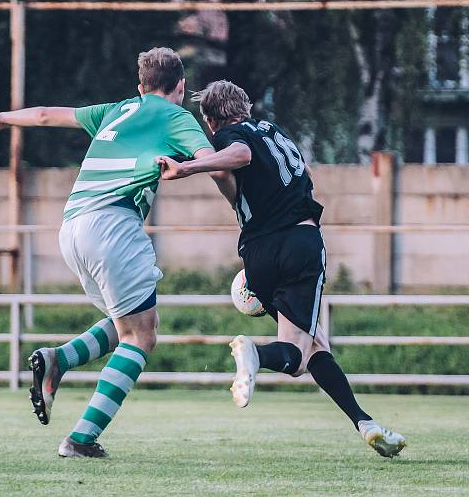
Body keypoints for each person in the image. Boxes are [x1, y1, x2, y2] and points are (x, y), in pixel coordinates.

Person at [0, 47, 215, 458]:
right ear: (181, 87)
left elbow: (43, 115)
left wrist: (0, 119)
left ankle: (57, 359)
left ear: (140, 87)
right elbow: (211, 160)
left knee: (126, 321)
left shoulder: (116, 110)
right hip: (113, 225)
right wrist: (194, 167)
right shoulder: (177, 117)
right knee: (141, 336)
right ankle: (80, 439)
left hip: (72, 227)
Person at [156, 80, 406, 458]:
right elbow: (243, 154)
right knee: (294, 354)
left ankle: (365, 423)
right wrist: (190, 168)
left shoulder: (230, 136)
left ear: (210, 121)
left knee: (313, 347)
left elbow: (237, 157)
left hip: (257, 255)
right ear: (245, 106)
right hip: (298, 245)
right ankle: (255, 354)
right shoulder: (272, 132)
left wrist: (188, 166)